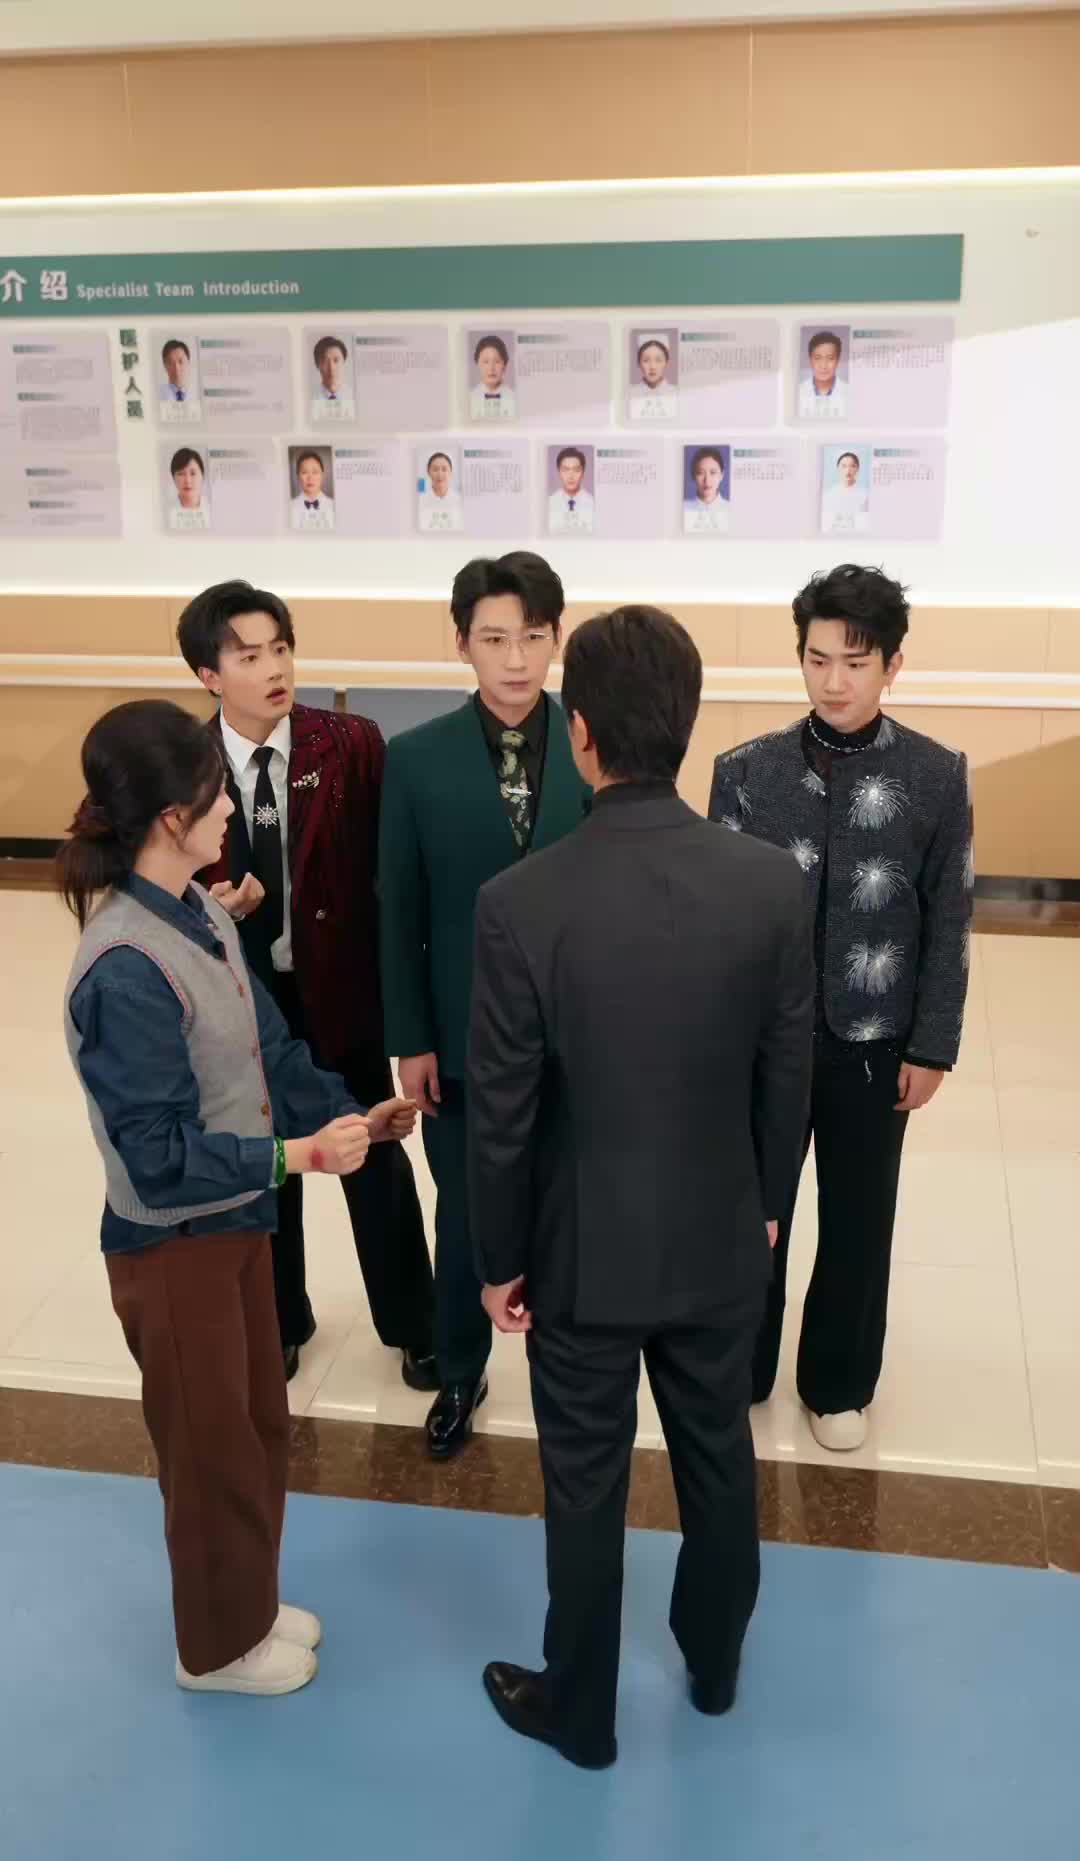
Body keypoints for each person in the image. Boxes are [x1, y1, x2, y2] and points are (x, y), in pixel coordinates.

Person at [468, 606, 814, 1769]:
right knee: (719, 1456)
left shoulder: (521, 902)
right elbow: (787, 1070)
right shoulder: (769, 885)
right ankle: (715, 1667)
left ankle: (582, 1711)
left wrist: (498, 1259)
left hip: (580, 1251)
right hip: (723, 1231)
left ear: (582, 732)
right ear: (688, 722)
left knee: (585, 1484)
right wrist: (767, 1205)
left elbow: (504, 1112)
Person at [58, 699, 417, 1695]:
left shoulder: (205, 909)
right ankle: (215, 1648)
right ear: (172, 816)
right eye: (215, 795)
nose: (232, 810)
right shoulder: (123, 969)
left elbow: (273, 1049)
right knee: (210, 1451)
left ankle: (248, 1602)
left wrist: (352, 1115)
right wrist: (301, 1155)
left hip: (237, 1228)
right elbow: (156, 1158)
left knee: (256, 1425)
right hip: (173, 1252)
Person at [709, 565, 973, 1453]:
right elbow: (718, 922)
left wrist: (932, 1045)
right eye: (817, 659)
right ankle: (740, 1368)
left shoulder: (935, 775)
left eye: (856, 663)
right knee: (753, 1211)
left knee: (860, 1218)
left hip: (876, 1041)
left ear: (892, 665)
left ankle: (838, 1382)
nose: (833, 681)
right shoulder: (746, 772)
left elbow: (950, 917)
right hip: (763, 1044)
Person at [179, 581, 437, 1389]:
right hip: (242, 1006)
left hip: (343, 992)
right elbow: (140, 876)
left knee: (375, 1157)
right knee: (271, 1163)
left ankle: (415, 1324)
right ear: (209, 675)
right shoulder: (183, 762)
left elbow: (394, 871)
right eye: (249, 656)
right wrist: (206, 910)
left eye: (281, 649)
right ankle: (282, 1320)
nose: (274, 669)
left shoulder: (350, 743)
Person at [379, 552, 587, 1460]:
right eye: (494, 638)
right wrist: (410, 1037)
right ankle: (460, 1371)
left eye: (533, 637)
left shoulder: (594, 743)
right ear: (460, 641)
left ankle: (567, 1370)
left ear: (556, 639)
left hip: (578, 1036)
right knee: (464, 1212)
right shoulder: (415, 759)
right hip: (460, 1034)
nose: (515, 659)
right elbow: (399, 909)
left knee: (569, 1205)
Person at [798, 330, 848, 420]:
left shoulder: (850, 392)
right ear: (810, 360)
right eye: (817, 358)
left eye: (830, 358)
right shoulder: (798, 392)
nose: (823, 365)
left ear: (838, 360)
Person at [547, 447, 595, 533]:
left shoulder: (594, 504)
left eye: (576, 470)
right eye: (565, 470)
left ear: (583, 472)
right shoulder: (548, 503)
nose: (571, 476)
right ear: (559, 472)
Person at [628, 335, 677, 420]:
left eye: (658, 360)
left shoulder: (677, 394)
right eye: (646, 360)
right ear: (639, 363)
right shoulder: (629, 394)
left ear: (666, 362)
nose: (652, 367)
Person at [683, 446, 729, 534]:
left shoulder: (730, 509)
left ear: (721, 475)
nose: (707, 480)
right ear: (693, 476)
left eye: (713, 472)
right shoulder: (684, 508)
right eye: (700, 473)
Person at [821, 451, 869, 534]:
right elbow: (825, 525)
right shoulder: (829, 495)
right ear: (838, 468)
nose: (848, 470)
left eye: (852, 466)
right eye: (844, 466)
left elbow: (865, 525)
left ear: (857, 469)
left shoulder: (865, 495)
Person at [470, 334, 516, 420]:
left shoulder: (514, 399)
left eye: (497, 361)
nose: (491, 368)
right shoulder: (470, 399)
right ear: (477, 364)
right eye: (486, 362)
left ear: (504, 365)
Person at [311, 334, 355, 423]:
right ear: (317, 365)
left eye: (336, 360)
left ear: (344, 362)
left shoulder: (355, 398)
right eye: (325, 361)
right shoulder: (309, 400)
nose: (331, 368)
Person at [418, 450, 464, 533]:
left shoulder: (460, 501)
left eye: (444, 469)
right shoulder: (420, 501)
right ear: (428, 472)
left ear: (450, 472)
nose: (440, 474)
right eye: (435, 469)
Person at [290, 450, 335, 531]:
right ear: (298, 476)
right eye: (304, 472)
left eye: (315, 472)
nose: (310, 478)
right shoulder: (290, 507)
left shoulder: (333, 506)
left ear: (322, 475)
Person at [168, 448, 209, 531]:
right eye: (181, 474)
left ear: (202, 476)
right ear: (173, 478)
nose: (187, 480)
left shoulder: (211, 509)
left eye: (193, 473)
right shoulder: (166, 512)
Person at [159, 339, 199, 422]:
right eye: (171, 363)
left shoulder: (199, 395)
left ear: (188, 362)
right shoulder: (156, 397)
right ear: (165, 366)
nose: (176, 368)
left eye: (180, 361)